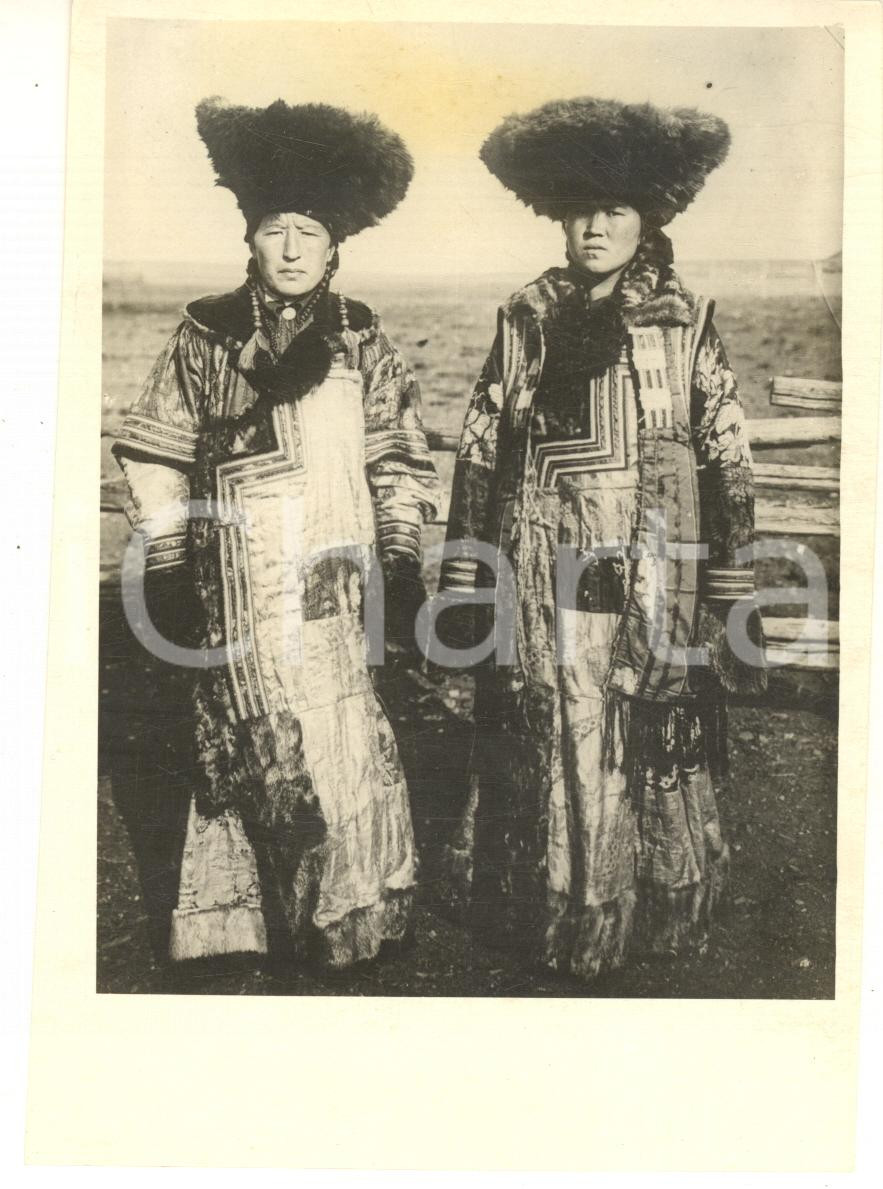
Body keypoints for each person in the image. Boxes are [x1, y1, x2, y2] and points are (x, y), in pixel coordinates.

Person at [438, 97, 766, 981]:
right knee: (551, 727)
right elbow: (480, 447)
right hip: (539, 570)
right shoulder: (527, 317)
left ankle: (643, 911)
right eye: (578, 210)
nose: (592, 228)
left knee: (636, 725)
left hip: (649, 576)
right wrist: (469, 576)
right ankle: (561, 909)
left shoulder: (683, 320)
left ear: (646, 218)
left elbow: (724, 453)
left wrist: (728, 584)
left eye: (613, 211)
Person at [113, 98, 439, 970]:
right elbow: (154, 457)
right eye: (273, 229)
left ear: (336, 247)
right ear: (249, 238)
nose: (290, 247)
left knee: (337, 740)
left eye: (308, 230)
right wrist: (175, 559)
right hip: (236, 595)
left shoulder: (364, 342)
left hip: (336, 594)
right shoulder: (204, 338)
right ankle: (240, 924)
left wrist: (402, 560)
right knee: (242, 745)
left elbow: (398, 462)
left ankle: (348, 917)